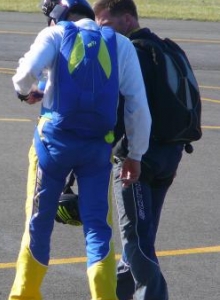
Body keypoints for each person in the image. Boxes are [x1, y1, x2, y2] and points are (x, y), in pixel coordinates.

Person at [8, 0, 151, 299]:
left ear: (57, 17)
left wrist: (26, 94)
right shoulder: (120, 45)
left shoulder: (56, 34)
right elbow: (138, 107)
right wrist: (135, 154)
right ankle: (104, 295)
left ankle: (25, 293)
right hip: (97, 148)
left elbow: (24, 76)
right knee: (99, 228)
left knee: (38, 221)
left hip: (53, 144)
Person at [93, 0, 186, 299]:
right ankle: (120, 294)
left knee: (136, 241)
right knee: (140, 237)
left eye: (106, 25)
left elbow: (130, 109)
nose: (101, 32)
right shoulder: (164, 48)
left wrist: (120, 150)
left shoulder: (131, 53)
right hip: (169, 155)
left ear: (128, 20)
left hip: (138, 159)